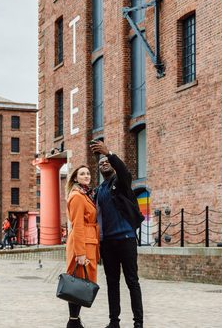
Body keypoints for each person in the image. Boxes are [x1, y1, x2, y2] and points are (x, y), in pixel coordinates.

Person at [90, 140, 144, 328]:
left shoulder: (120, 183)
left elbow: (125, 172)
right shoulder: (99, 190)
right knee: (112, 283)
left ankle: (138, 323)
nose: (103, 163)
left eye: (106, 161)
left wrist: (109, 153)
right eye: (100, 163)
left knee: (132, 281)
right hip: (108, 243)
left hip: (126, 239)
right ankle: (114, 322)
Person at [64, 165, 99, 328]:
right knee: (77, 282)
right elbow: (77, 225)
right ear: (75, 178)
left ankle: (75, 320)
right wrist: (80, 252)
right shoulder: (77, 196)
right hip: (82, 243)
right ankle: (73, 322)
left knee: (81, 281)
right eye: (82, 174)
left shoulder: (85, 194)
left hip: (87, 241)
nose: (86, 176)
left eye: (88, 173)